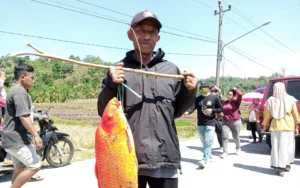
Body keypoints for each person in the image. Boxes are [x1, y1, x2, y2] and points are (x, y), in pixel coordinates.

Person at [97, 10, 197, 188]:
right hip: (129, 158)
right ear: (130, 35)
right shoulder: (119, 69)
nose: (147, 36)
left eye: (152, 32)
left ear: (158, 38)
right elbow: (104, 112)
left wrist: (190, 91)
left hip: (165, 158)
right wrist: (111, 84)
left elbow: (177, 111)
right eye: (141, 30)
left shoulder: (171, 70)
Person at [1, 62, 43, 188]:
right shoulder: (19, 92)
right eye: (32, 77)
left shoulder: (15, 90)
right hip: (17, 139)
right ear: (23, 77)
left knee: (19, 167)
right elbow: (24, 117)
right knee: (35, 166)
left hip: (10, 137)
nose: (33, 81)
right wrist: (36, 135)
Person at [262, 82, 299, 177]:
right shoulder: (291, 100)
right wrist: (296, 127)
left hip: (276, 127)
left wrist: (264, 126)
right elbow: (295, 115)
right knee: (288, 147)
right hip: (289, 127)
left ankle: (280, 169)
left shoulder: (270, 100)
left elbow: (267, 116)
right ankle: (286, 165)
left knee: (277, 148)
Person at [184, 83, 222, 169]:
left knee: (208, 141)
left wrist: (212, 110)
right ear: (200, 89)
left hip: (210, 123)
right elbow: (192, 107)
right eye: (202, 88)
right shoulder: (198, 99)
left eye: (206, 87)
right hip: (200, 123)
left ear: (209, 88)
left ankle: (204, 160)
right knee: (204, 141)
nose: (204, 89)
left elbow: (220, 109)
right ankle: (209, 155)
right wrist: (187, 112)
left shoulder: (214, 97)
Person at [220, 87, 243, 159]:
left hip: (236, 122)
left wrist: (235, 89)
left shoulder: (236, 102)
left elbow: (240, 94)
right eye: (228, 94)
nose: (228, 96)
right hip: (225, 122)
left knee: (235, 136)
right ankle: (225, 152)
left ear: (233, 96)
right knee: (224, 136)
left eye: (230, 94)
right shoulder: (224, 102)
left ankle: (238, 148)